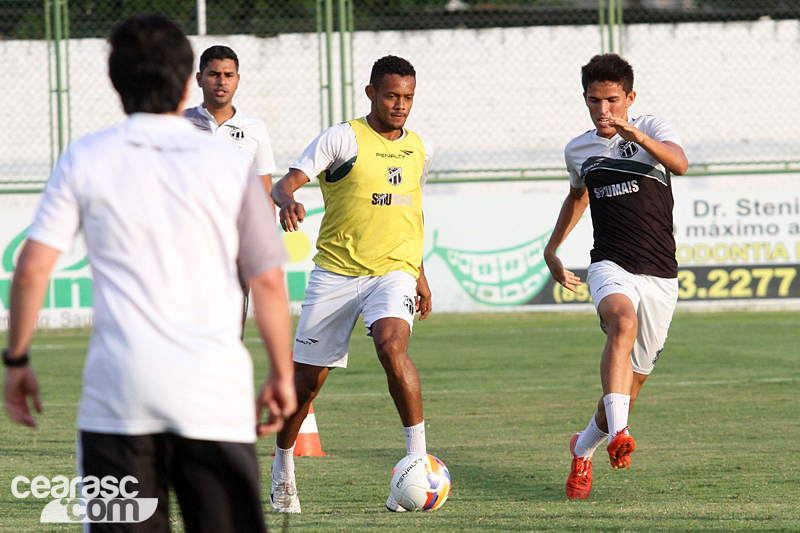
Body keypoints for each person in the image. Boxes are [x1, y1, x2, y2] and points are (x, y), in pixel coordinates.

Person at [3, 14, 295, 532]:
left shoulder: (86, 156)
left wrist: (17, 358)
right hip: (214, 395)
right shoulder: (230, 164)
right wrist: (281, 373)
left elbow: (30, 269)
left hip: (117, 400)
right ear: (189, 82)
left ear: (116, 83)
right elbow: (268, 278)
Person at [269, 55, 434, 514]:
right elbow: (285, 183)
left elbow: (410, 215)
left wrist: (419, 274)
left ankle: (417, 459)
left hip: (394, 271)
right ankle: (283, 468)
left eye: (408, 97)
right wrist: (287, 200)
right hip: (337, 274)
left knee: (391, 346)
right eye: (391, 96)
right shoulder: (343, 138)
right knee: (306, 384)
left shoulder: (419, 148)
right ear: (371, 94)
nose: (400, 105)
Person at [543, 53, 688, 500]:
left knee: (630, 382)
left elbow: (680, 164)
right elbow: (577, 197)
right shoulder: (579, 148)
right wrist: (551, 249)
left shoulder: (655, 129)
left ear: (629, 97)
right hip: (610, 263)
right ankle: (622, 432)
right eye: (593, 101)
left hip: (661, 274)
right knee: (621, 322)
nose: (603, 110)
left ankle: (583, 447)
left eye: (611, 100)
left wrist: (634, 133)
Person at [185, 45, 278, 328]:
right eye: (214, 74)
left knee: (232, 319)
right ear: (199, 78)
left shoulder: (254, 128)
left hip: (237, 236)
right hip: (190, 238)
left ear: (238, 79)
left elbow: (265, 190)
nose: (221, 81)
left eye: (228, 74)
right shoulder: (181, 122)